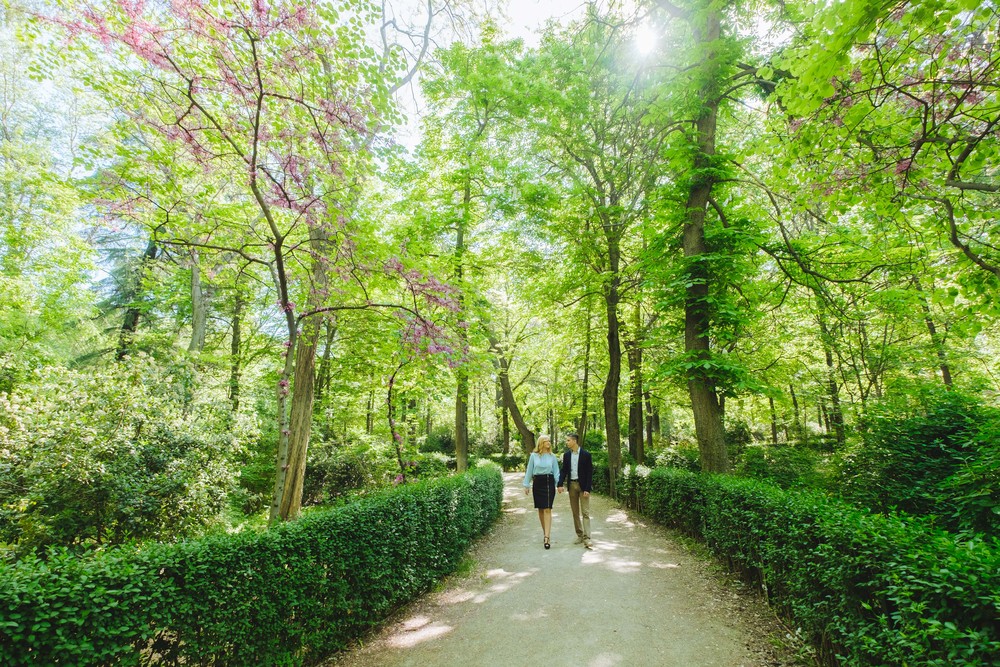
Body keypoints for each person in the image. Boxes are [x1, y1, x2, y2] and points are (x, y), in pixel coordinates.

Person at [557, 433, 593, 549]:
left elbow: (589, 473)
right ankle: (580, 535)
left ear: (574, 441)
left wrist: (587, 488)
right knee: (575, 512)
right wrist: (560, 483)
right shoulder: (567, 455)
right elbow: (564, 470)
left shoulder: (586, 455)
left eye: (568, 440)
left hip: (583, 487)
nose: (566, 442)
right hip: (572, 485)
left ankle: (587, 538)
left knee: (585, 512)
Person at [523, 435, 560, 549]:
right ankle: (545, 533)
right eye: (546, 441)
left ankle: (547, 537)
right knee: (540, 509)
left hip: (549, 482)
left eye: (549, 440)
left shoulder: (552, 456)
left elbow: (556, 471)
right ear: (541, 443)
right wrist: (526, 484)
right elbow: (529, 470)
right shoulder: (533, 456)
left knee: (547, 509)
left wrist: (559, 484)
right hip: (538, 483)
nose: (548, 442)